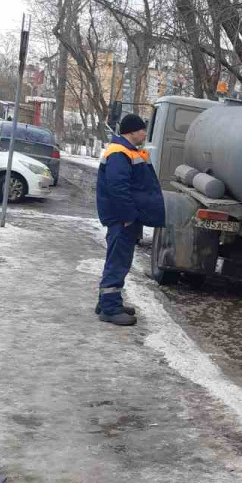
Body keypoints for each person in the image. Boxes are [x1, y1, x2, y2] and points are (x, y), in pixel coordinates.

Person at [95, 113, 166, 326]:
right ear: (132, 131)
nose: (145, 133)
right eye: (143, 129)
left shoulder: (126, 150)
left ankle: (107, 301)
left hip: (124, 218)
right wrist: (127, 216)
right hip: (122, 219)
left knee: (116, 260)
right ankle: (110, 309)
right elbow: (118, 188)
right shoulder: (119, 153)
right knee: (118, 262)